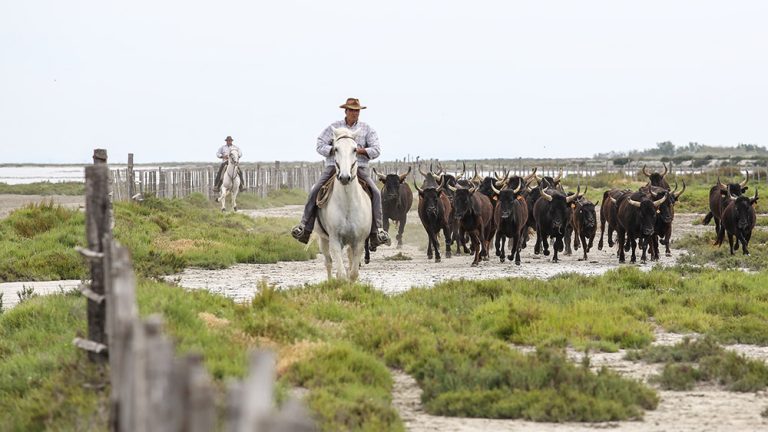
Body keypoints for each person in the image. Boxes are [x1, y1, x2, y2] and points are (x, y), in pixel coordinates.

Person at [291, 98, 391, 248]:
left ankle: (377, 231)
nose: (354, 113)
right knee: (315, 189)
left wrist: (360, 150)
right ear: (345, 111)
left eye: (357, 110)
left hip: (359, 168)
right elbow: (319, 144)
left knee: (376, 192)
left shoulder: (367, 129)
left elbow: (376, 150)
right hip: (333, 166)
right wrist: (333, 150)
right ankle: (305, 227)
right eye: (351, 110)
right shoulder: (334, 128)